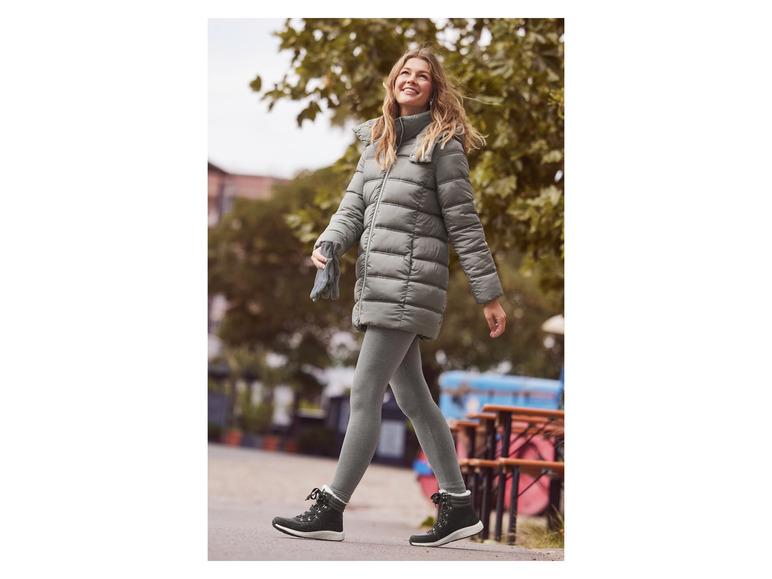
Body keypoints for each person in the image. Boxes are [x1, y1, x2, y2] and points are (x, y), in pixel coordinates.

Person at [271, 46, 507, 548]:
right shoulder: (377, 142)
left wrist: (488, 294)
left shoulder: (442, 146)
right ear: (393, 81)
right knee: (414, 399)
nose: (412, 79)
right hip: (379, 284)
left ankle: (332, 507)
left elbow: (465, 225)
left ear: (434, 88)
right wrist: (329, 242)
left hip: (407, 286)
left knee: (364, 394)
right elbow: (352, 206)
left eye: (423, 75)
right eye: (405, 72)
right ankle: (459, 507)